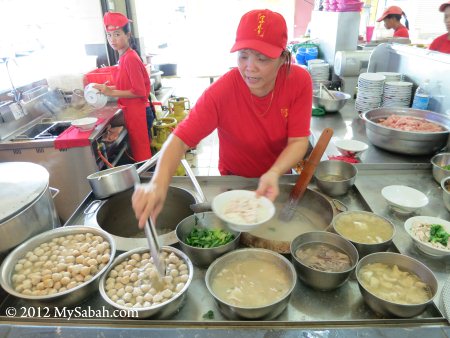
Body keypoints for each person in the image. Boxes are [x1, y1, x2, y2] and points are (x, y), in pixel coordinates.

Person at [132, 9, 313, 228]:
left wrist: (274, 172)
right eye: (243, 55)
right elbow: (179, 139)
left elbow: (298, 141)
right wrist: (158, 183)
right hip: (232, 181)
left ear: (283, 57)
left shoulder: (299, 81)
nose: (249, 67)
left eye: (262, 58)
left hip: (278, 181)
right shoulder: (222, 91)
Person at [94, 11, 153, 162]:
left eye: (117, 34)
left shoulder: (130, 59)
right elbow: (127, 85)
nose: (112, 39)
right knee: (140, 153)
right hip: (133, 112)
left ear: (128, 35)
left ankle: (148, 183)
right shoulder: (124, 56)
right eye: (109, 35)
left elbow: (139, 91)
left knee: (142, 155)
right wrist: (106, 88)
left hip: (139, 112)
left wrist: (111, 93)